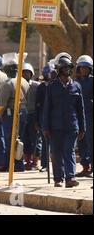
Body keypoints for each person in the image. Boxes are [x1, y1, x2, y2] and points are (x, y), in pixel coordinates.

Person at [43, 53, 86, 188]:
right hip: (55, 127)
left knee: (69, 150)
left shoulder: (76, 86)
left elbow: (81, 109)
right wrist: (45, 127)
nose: (67, 70)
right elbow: (46, 108)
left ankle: (70, 177)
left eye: (69, 68)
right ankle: (58, 178)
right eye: (64, 68)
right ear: (59, 70)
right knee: (56, 153)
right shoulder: (51, 87)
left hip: (72, 126)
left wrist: (82, 127)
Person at [0, 53, 29, 172]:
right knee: (19, 139)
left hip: (10, 115)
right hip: (23, 113)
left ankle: (10, 164)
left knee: (9, 140)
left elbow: (2, 104)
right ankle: (18, 163)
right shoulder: (24, 81)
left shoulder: (8, 83)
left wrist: (1, 116)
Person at [35, 62, 56, 172]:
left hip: (55, 117)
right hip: (43, 117)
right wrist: (37, 121)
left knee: (56, 142)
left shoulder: (56, 86)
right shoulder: (41, 87)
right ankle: (44, 164)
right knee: (45, 141)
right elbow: (37, 105)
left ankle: (58, 164)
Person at [74, 55, 93, 178]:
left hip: (90, 116)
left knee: (91, 142)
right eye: (82, 67)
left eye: (86, 68)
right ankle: (85, 167)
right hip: (78, 117)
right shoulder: (75, 82)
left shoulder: (92, 80)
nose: (84, 70)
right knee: (81, 142)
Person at [22, 63, 41, 170]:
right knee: (25, 139)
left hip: (33, 115)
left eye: (27, 72)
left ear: (31, 74)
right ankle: (27, 161)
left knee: (36, 139)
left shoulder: (36, 86)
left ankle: (36, 161)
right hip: (23, 115)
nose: (25, 74)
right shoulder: (18, 84)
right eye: (23, 72)